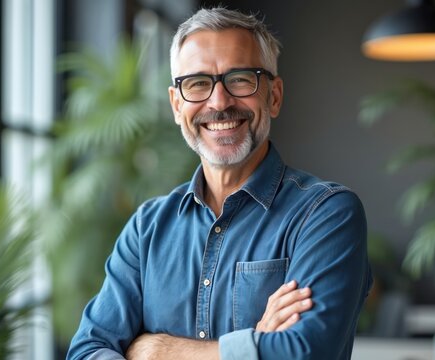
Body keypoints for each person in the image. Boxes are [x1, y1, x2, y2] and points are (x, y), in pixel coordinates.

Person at [67, 7, 372, 360]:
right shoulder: (146, 229)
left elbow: (303, 353)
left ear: (273, 96)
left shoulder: (327, 214)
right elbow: (87, 351)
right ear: (176, 105)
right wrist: (255, 343)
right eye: (197, 83)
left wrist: (157, 350)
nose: (219, 102)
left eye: (240, 79)